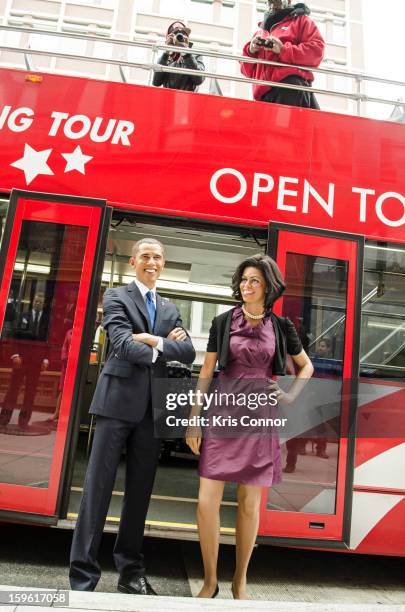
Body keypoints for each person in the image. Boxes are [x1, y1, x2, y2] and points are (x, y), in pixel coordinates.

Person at [69, 238, 195, 595]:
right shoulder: (116, 297)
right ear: (132, 262)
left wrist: (151, 341)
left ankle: (130, 573)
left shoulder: (170, 306)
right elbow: (122, 343)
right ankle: (83, 576)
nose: (151, 262)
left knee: (139, 493)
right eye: (145, 257)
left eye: (157, 257)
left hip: (150, 409)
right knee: (97, 490)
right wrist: (162, 344)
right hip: (115, 404)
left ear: (163, 264)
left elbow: (187, 352)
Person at [186, 254, 313, 599]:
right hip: (223, 412)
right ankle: (210, 580)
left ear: (268, 286)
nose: (246, 286)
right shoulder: (223, 321)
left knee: (249, 504)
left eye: (254, 280)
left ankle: (239, 582)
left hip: (260, 416)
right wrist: (194, 419)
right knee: (205, 500)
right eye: (243, 280)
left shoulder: (282, 326)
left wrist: (288, 395)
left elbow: (306, 367)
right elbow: (206, 372)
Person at [240, 1, 325, 108]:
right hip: (263, 97)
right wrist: (251, 51)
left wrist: (283, 50)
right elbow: (246, 71)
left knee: (283, 123)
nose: (273, 4)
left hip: (289, 88)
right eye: (270, 1)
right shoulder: (260, 33)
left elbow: (316, 51)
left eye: (277, 1)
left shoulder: (301, 21)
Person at [0, 292, 49, 430]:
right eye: (36, 301)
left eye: (40, 302)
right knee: (13, 389)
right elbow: (14, 337)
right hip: (21, 360)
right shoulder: (22, 316)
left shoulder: (46, 320)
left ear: (43, 304)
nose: (38, 303)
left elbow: (48, 341)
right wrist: (15, 355)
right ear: (32, 302)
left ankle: (24, 422)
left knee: (30, 392)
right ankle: (3, 418)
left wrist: (45, 359)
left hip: (36, 362)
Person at [152, 21, 205, 92]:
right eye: (176, 34)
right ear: (169, 38)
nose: (180, 37)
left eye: (183, 33)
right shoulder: (165, 58)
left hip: (188, 99)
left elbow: (199, 79)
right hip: (168, 98)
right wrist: (166, 52)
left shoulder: (195, 54)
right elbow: (156, 82)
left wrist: (186, 53)